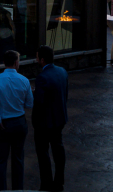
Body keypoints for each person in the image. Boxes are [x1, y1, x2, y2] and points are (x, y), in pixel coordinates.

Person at [0, 50, 33, 192]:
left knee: (0, 161)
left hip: (3, 124)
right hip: (19, 123)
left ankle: (2, 190)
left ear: (4, 63)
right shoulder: (24, 80)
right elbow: (30, 103)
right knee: (18, 159)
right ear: (16, 63)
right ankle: (18, 189)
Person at [33, 45, 68, 192]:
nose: (36, 59)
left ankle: (46, 182)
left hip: (44, 123)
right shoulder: (62, 72)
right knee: (58, 149)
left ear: (42, 59)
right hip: (59, 119)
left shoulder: (42, 78)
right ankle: (59, 180)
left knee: (43, 153)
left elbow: (39, 103)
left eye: (37, 57)